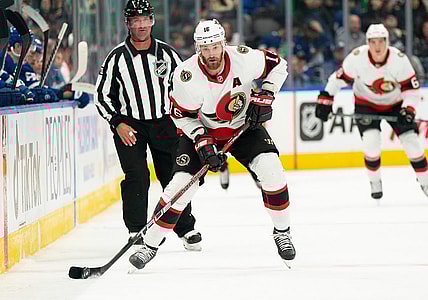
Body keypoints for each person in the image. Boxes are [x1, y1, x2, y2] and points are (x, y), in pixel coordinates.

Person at [128, 19, 296, 270]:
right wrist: (202, 141)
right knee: (180, 186)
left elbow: (279, 65)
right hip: (203, 132)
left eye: (215, 47)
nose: (211, 54)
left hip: (244, 127)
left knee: (272, 170)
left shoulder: (244, 58)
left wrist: (266, 95)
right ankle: (149, 245)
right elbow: (180, 115)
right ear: (198, 48)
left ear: (223, 44)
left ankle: (282, 232)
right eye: (205, 48)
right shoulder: (186, 76)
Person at [94, 0, 202, 252]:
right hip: (129, 126)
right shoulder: (116, 58)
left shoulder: (168, 54)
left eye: (145, 19)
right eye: (135, 20)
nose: (141, 25)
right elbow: (101, 96)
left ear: (152, 20)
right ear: (128, 23)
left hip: (165, 124)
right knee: (137, 176)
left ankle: (185, 228)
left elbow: (186, 86)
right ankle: (136, 230)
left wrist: (185, 118)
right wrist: (116, 122)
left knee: (173, 176)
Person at [315, 23, 427, 200]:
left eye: (381, 41)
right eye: (373, 42)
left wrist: (408, 110)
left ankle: (425, 183)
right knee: (371, 143)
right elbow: (337, 80)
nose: (377, 46)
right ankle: (375, 182)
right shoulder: (356, 58)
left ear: (387, 41)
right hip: (366, 103)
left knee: (412, 143)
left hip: (396, 104)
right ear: (367, 42)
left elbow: (412, 92)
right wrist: (325, 101)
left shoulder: (399, 59)